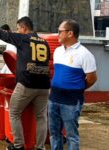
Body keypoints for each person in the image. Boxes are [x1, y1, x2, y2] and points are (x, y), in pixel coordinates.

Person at [0, 17, 50, 150]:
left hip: (27, 84)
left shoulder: (23, 38)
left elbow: (1, 33)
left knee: (14, 112)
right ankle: (40, 147)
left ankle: (18, 146)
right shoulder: (44, 42)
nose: (17, 31)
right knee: (41, 117)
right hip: (44, 85)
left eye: (18, 28)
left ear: (24, 28)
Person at [48, 19, 97, 150]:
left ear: (70, 33)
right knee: (54, 133)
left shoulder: (85, 54)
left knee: (71, 135)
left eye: (60, 31)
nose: (57, 34)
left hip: (71, 101)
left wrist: (77, 88)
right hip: (53, 99)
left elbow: (92, 78)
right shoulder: (58, 51)